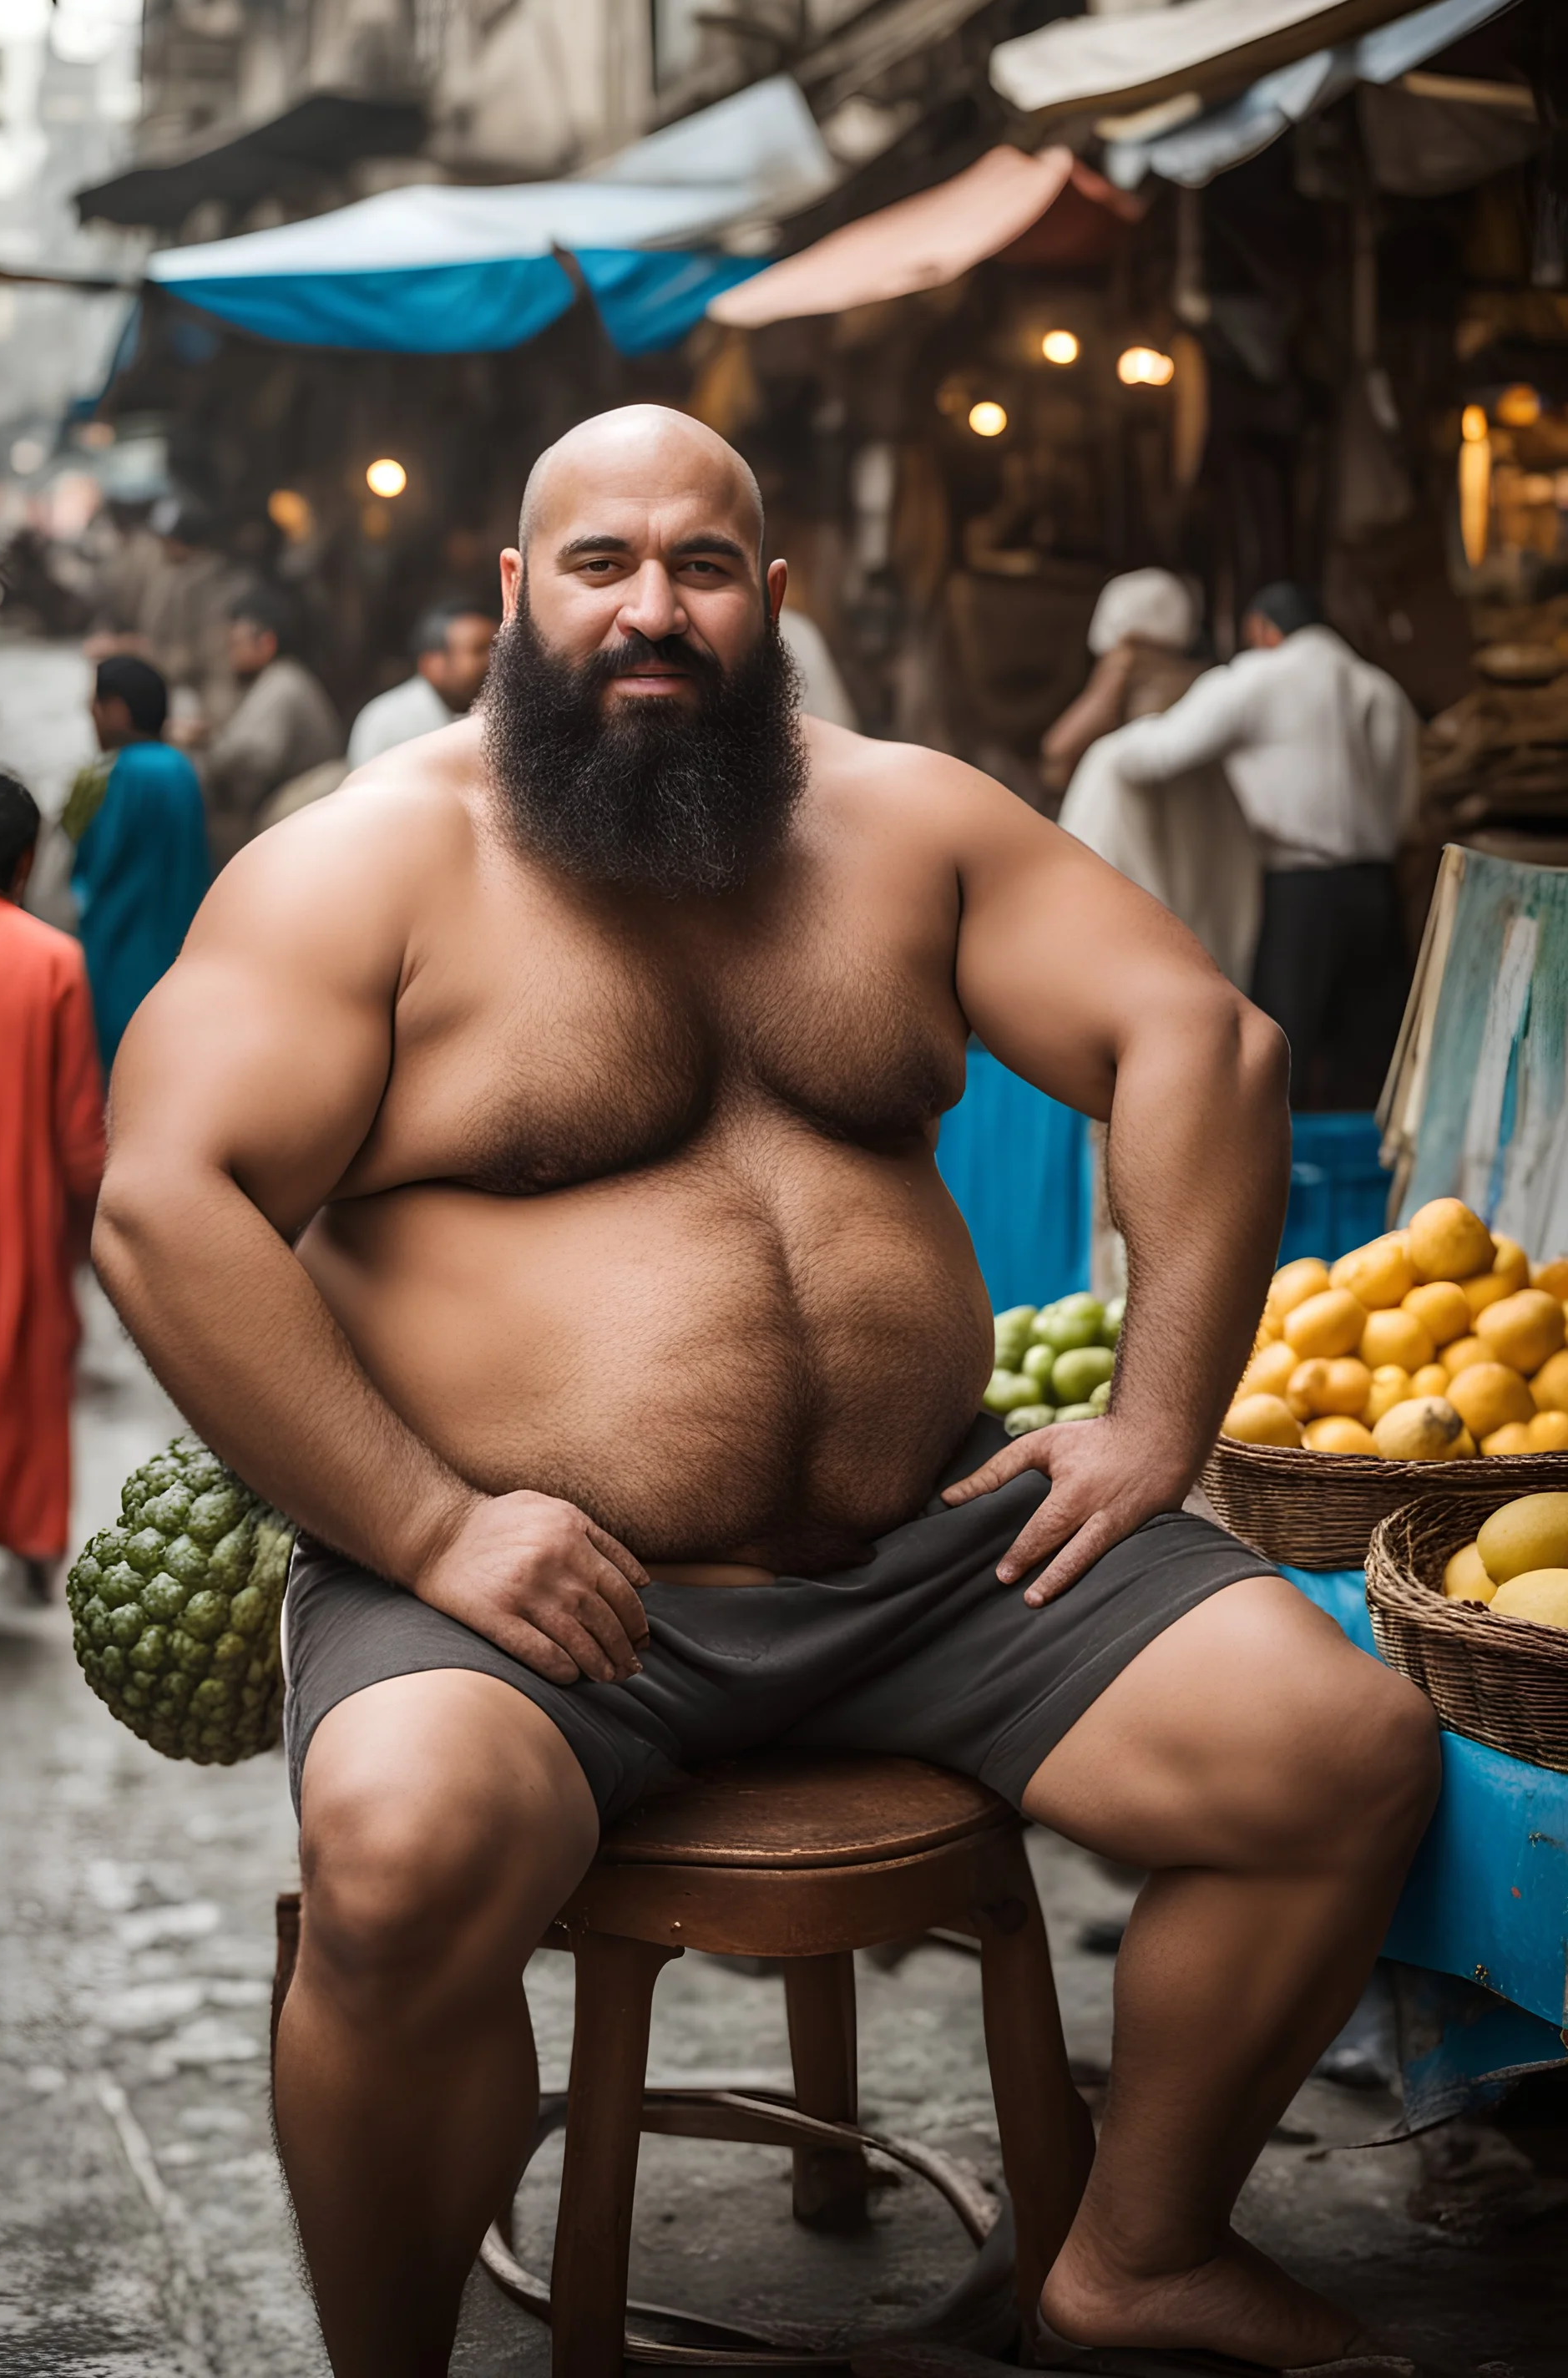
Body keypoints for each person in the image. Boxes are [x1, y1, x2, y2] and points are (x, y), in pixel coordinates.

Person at [98, 408, 1439, 2378]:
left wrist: (1159, 1418)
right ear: (511, 596)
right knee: (394, 1863)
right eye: (602, 565)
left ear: (769, 596)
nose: (655, 610)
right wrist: (428, 1525)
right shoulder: (365, 864)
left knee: (1340, 1759)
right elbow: (163, 1202)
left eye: (702, 568)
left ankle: (1135, 2250)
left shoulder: (907, 823)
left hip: (935, 1554)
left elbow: (1204, 1047)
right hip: (527, 1592)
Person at [1095, 580, 1419, 1106]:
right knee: (1375, 1069)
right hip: (1377, 894)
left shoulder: (1260, 679)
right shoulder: (1382, 689)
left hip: (1301, 893)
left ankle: (1281, 1185)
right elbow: (1408, 806)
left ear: (1261, 632)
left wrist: (1106, 750)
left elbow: (1155, 755)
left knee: (1279, 1062)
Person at [0, 767, 107, 1601]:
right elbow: (77, 1137)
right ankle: (25, 1549)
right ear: (23, 867)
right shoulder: (50, 962)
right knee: (21, 1369)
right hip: (9, 1222)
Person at [1045, 570, 1262, 990]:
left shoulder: (1113, 763)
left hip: (1139, 988)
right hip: (1207, 988)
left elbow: (1057, 753)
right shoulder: (1209, 759)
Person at [71, 655, 211, 1072]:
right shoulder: (182, 769)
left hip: (113, 975)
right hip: (177, 975)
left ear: (116, 710)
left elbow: (78, 873)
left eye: (93, 708)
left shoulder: (106, 775)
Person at [200, 584, 342, 865]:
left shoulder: (283, 683)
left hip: (302, 812)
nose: (231, 654)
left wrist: (208, 745)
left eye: (236, 644)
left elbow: (251, 757)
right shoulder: (279, 678)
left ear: (266, 643)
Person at [346, 602, 500, 769]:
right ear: (433, 664)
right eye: (479, 650)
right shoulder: (388, 721)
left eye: (498, 648)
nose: (494, 660)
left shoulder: (495, 710)